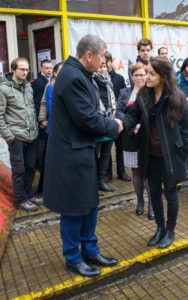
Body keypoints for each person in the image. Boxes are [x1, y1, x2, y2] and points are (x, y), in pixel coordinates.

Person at [43, 34, 123, 277]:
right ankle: (73, 258)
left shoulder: (82, 74)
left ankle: (90, 250)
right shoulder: (73, 76)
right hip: (70, 157)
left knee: (89, 205)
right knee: (73, 209)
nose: (103, 61)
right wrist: (114, 126)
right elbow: (87, 118)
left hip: (82, 153)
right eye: (101, 57)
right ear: (89, 55)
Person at [118, 57, 188, 249]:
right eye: (146, 72)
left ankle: (170, 230)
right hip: (149, 154)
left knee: (170, 193)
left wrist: (185, 156)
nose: (147, 77)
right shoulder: (143, 95)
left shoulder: (177, 97)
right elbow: (132, 115)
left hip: (170, 155)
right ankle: (159, 228)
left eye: (151, 73)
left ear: (163, 76)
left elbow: (186, 130)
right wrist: (120, 125)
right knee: (153, 192)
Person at [0, 57, 39, 212]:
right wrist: (10, 137)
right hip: (16, 137)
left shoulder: (29, 88)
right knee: (19, 170)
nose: (25, 72)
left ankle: (28, 194)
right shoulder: (3, 90)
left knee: (31, 167)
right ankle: (21, 199)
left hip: (31, 136)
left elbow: (31, 110)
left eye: (27, 69)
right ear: (13, 69)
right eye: (22, 69)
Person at [117, 62, 154, 219]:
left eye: (142, 74)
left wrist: (142, 125)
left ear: (147, 75)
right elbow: (117, 111)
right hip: (130, 138)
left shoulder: (152, 92)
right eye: (136, 75)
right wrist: (130, 126)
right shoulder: (125, 92)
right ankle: (140, 201)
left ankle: (152, 204)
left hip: (148, 139)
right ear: (131, 77)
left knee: (149, 173)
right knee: (136, 173)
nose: (139, 77)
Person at [36, 61, 64, 201]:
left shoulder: (67, 86)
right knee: (50, 163)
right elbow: (47, 105)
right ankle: (45, 192)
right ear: (55, 73)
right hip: (54, 131)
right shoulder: (51, 87)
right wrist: (42, 119)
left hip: (62, 132)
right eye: (60, 71)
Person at [105, 51, 131, 182]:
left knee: (120, 147)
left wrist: (123, 115)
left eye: (106, 61)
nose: (104, 64)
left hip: (119, 117)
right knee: (107, 147)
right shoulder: (97, 78)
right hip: (106, 119)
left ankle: (121, 172)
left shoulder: (119, 78)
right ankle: (107, 173)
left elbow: (125, 97)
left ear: (110, 62)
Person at [93, 60, 117, 193]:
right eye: (100, 67)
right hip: (98, 122)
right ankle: (92, 184)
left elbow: (112, 101)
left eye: (104, 67)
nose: (103, 69)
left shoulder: (109, 82)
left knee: (106, 154)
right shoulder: (91, 81)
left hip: (110, 120)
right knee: (95, 154)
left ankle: (101, 181)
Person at [32, 59, 53, 200]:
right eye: (47, 68)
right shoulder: (40, 83)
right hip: (43, 126)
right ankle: (41, 189)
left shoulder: (49, 82)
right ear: (41, 68)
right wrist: (41, 119)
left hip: (48, 125)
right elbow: (39, 103)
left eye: (51, 68)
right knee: (43, 156)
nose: (49, 70)